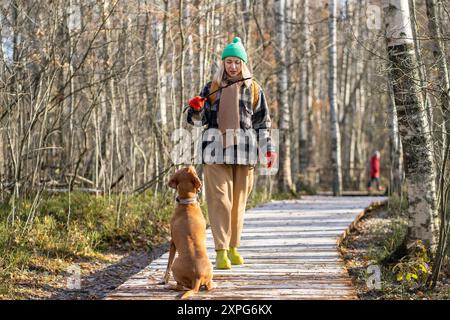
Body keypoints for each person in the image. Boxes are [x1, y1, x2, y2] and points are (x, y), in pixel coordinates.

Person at [186, 37, 276, 269]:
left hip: (245, 154)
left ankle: (234, 247)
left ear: (243, 64)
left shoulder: (254, 88)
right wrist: (195, 109)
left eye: (237, 62)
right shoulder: (211, 88)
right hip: (215, 152)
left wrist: (268, 149)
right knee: (220, 201)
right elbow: (198, 122)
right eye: (229, 62)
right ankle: (221, 251)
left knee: (238, 203)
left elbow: (262, 122)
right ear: (223, 63)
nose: (233, 66)